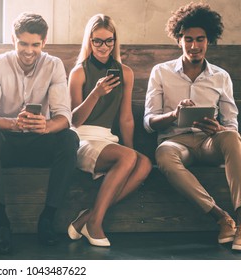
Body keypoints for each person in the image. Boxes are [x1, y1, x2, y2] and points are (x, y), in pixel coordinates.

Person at [144, 2, 241, 251]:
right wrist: (175, 114)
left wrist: (219, 129)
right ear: (179, 40)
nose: (194, 46)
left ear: (209, 40)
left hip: (208, 142)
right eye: (188, 39)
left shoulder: (220, 76)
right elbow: (149, 121)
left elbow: (232, 122)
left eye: (200, 39)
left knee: (233, 138)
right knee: (164, 152)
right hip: (176, 142)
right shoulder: (160, 72)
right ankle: (221, 217)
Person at [0, 12, 79, 255]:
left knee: (70, 138)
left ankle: (47, 218)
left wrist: (45, 126)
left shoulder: (53, 65)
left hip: (39, 140)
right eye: (23, 43)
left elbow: (64, 116)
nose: (29, 51)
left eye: (35, 44)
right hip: (7, 141)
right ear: (14, 40)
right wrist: (14, 124)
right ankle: (1, 222)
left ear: (44, 42)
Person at [67, 14, 152, 247]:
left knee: (143, 163)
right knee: (128, 158)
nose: (103, 47)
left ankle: (88, 216)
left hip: (108, 139)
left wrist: (131, 154)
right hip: (82, 138)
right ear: (89, 41)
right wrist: (95, 94)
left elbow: (125, 117)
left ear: (115, 41)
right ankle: (95, 224)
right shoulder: (79, 72)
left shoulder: (125, 72)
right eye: (97, 41)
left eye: (108, 41)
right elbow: (73, 120)